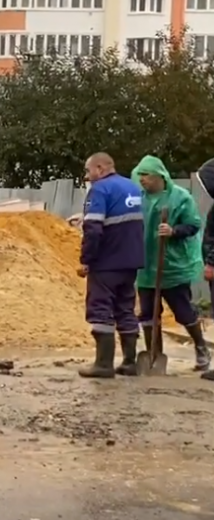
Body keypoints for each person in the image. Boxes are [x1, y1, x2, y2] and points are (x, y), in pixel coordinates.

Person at [132, 155, 209, 372]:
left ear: (159, 175)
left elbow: (193, 225)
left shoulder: (180, 197)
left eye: (146, 175)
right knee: (147, 314)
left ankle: (202, 348)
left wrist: (174, 231)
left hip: (173, 266)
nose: (143, 180)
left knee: (183, 312)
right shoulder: (138, 198)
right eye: (140, 176)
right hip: (146, 266)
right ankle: (153, 353)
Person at [78, 152, 145, 378]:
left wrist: (87, 259)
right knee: (125, 309)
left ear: (100, 168)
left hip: (107, 262)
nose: (88, 177)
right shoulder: (132, 187)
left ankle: (103, 364)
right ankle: (129, 362)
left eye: (88, 171)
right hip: (131, 261)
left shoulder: (99, 189)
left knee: (100, 308)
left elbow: (94, 229)